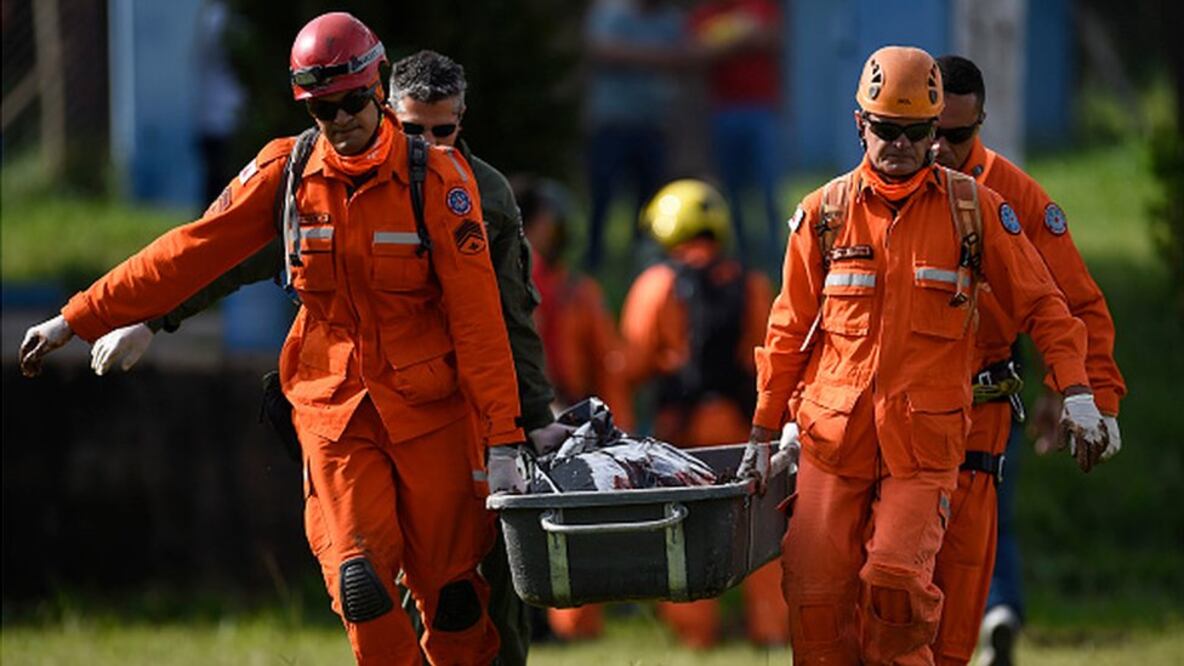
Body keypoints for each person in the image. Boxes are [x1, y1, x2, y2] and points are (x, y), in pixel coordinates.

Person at [20, 13, 526, 665]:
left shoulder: (440, 183)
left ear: (377, 91)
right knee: (362, 586)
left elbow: (479, 319)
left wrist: (505, 436)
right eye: (321, 109)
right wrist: (80, 316)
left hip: (431, 414)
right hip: (334, 412)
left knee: (454, 598)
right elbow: (191, 252)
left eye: (349, 102)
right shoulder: (287, 174)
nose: (340, 120)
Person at [737, 45, 1110, 664]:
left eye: (917, 132)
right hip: (833, 444)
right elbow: (787, 332)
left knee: (896, 588)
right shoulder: (823, 215)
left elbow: (1047, 307)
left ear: (936, 131)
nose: (901, 145)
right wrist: (763, 427)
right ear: (861, 124)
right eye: (887, 130)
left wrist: (1076, 390)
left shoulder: (976, 212)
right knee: (816, 601)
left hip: (923, 450)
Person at [929, 55, 1126, 666]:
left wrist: (1088, 396)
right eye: (926, 129)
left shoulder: (1014, 199)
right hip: (900, 406)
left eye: (956, 136)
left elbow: (1075, 307)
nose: (937, 149)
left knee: (986, 523)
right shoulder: (884, 186)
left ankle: (996, 617)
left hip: (982, 399)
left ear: (982, 122)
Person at [618, 179, 787, 649]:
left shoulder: (656, 285)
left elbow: (632, 364)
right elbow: (770, 361)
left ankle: (695, 637)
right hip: (739, 429)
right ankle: (772, 629)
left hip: (681, 432)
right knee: (758, 531)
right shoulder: (752, 284)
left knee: (681, 531)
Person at [513, 175, 633, 641]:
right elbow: (604, 368)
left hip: (520, 422)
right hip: (558, 423)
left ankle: (538, 624)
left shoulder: (506, 279)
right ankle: (567, 627)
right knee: (570, 528)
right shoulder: (559, 285)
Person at [582, 0, 687, 270]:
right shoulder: (610, 12)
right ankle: (594, 260)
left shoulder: (670, 18)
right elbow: (603, 51)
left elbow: (682, 58)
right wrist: (657, 58)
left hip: (653, 124)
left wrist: (631, 55)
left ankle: (642, 262)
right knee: (602, 195)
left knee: (649, 199)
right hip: (612, 123)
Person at [687, 0, 784, 273]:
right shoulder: (706, 10)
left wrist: (722, 40)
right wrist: (743, 34)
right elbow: (697, 51)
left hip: (760, 109)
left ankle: (775, 255)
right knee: (731, 192)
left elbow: (768, 37)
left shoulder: (759, 4)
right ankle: (739, 257)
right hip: (723, 111)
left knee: (767, 187)